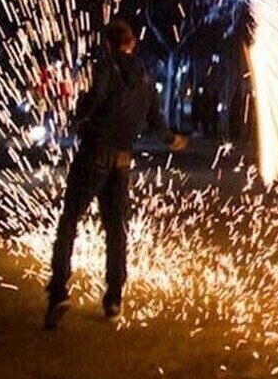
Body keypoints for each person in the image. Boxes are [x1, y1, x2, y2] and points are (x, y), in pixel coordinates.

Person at [44, 20, 186, 330]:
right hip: (122, 163)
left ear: (108, 43)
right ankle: (114, 298)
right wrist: (172, 139)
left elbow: (96, 97)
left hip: (94, 155)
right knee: (116, 230)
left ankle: (58, 291)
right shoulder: (146, 77)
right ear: (132, 43)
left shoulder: (107, 67)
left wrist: (80, 116)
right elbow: (156, 121)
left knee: (70, 220)